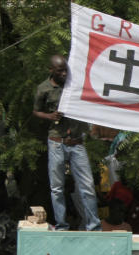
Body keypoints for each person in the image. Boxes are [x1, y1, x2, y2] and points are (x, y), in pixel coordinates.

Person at [33, 55, 99, 230]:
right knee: (57, 188)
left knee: (88, 186)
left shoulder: (73, 85)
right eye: (60, 70)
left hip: (77, 142)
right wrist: (49, 116)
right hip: (56, 142)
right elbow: (36, 111)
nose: (63, 73)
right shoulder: (43, 89)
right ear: (51, 70)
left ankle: (94, 225)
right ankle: (62, 225)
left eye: (65, 70)